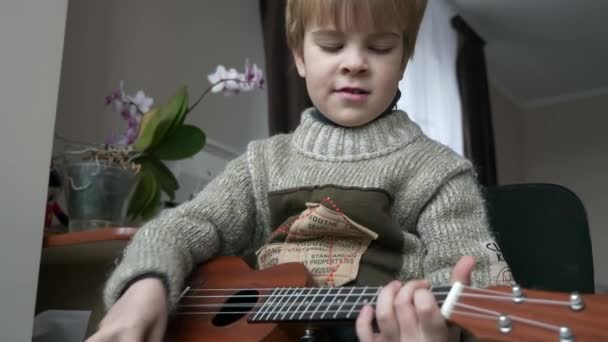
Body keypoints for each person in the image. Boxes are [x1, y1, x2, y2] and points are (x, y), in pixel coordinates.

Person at [88, 0, 511, 341]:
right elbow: (179, 228)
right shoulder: (263, 164)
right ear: (299, 57)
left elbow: (484, 292)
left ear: (403, 61)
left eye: (380, 48)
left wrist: (444, 334)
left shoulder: (437, 171)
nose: (355, 63)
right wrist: (146, 285)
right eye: (331, 45)